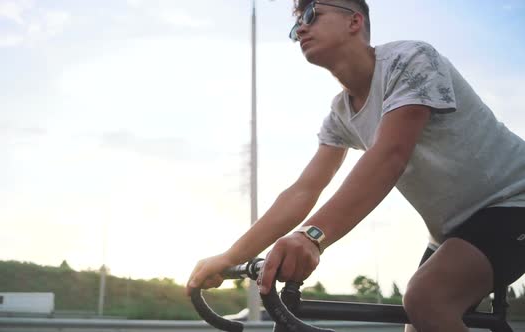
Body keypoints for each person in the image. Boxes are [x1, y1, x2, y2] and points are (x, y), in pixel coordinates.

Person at [186, 1, 525, 331]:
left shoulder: (412, 59)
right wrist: (230, 257)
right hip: (451, 231)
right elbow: (304, 190)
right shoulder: (341, 114)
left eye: (311, 14)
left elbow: (390, 154)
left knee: (427, 301)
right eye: (295, 25)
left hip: (512, 201)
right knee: (420, 320)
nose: (300, 27)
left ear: (354, 21)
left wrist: (311, 236)